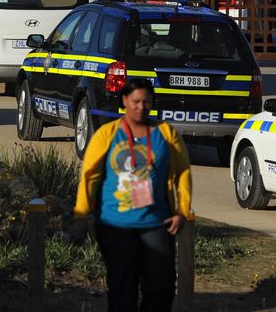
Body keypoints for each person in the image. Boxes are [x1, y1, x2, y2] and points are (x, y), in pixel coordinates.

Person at [70, 78, 192, 312]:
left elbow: (183, 172)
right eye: (135, 101)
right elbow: (89, 176)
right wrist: (81, 216)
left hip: (157, 222)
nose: (140, 107)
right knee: (122, 287)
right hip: (115, 225)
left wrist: (182, 211)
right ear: (125, 100)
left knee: (161, 287)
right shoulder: (107, 134)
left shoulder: (166, 134)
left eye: (146, 102)